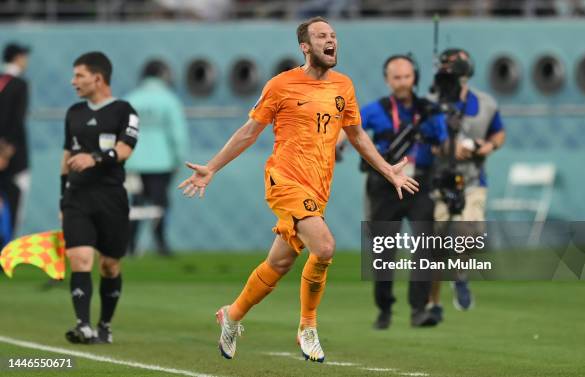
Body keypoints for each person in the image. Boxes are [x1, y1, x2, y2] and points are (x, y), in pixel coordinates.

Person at [178, 16, 419, 362]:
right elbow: (250, 131)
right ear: (305, 46)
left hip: (317, 189)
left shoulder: (343, 87)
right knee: (324, 247)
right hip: (284, 180)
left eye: (333, 35)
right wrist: (212, 167)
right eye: (321, 35)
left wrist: (388, 172)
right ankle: (307, 327)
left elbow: (356, 135)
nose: (330, 39)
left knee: (278, 264)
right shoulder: (281, 85)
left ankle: (231, 315)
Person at [354, 55, 448, 329]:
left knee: (425, 248)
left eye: (407, 77)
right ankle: (384, 308)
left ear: (415, 78)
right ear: (387, 80)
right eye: (397, 78)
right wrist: (337, 146)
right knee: (383, 252)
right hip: (383, 189)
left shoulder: (430, 111)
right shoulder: (376, 110)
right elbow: (351, 129)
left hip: (419, 186)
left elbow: (444, 145)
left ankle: (419, 309)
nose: (403, 82)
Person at [61, 52, 139, 344]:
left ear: (98, 78)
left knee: (110, 265)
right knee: (80, 258)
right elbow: (67, 155)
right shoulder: (74, 112)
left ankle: (104, 325)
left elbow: (124, 150)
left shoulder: (124, 111)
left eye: (79, 76)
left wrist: (93, 158)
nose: (73, 82)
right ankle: (83, 325)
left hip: (111, 197)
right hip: (77, 197)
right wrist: (62, 195)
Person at [428, 48, 505, 319]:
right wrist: (447, 147)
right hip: (440, 180)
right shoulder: (431, 103)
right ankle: (432, 300)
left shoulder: (485, 103)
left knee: (470, 233)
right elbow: (424, 139)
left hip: (473, 177)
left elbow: (498, 131)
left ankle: (459, 274)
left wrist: (489, 146)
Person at [125, 60, 188, 256]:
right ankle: (161, 243)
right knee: (160, 203)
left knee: (136, 203)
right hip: (162, 162)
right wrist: (179, 159)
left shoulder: (131, 99)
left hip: (133, 161)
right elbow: (177, 134)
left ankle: (131, 245)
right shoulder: (169, 100)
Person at [0, 42, 31, 243]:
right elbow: (16, 120)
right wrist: (4, 152)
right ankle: (6, 251)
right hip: (14, 158)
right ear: (18, 58)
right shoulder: (20, 84)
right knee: (15, 203)